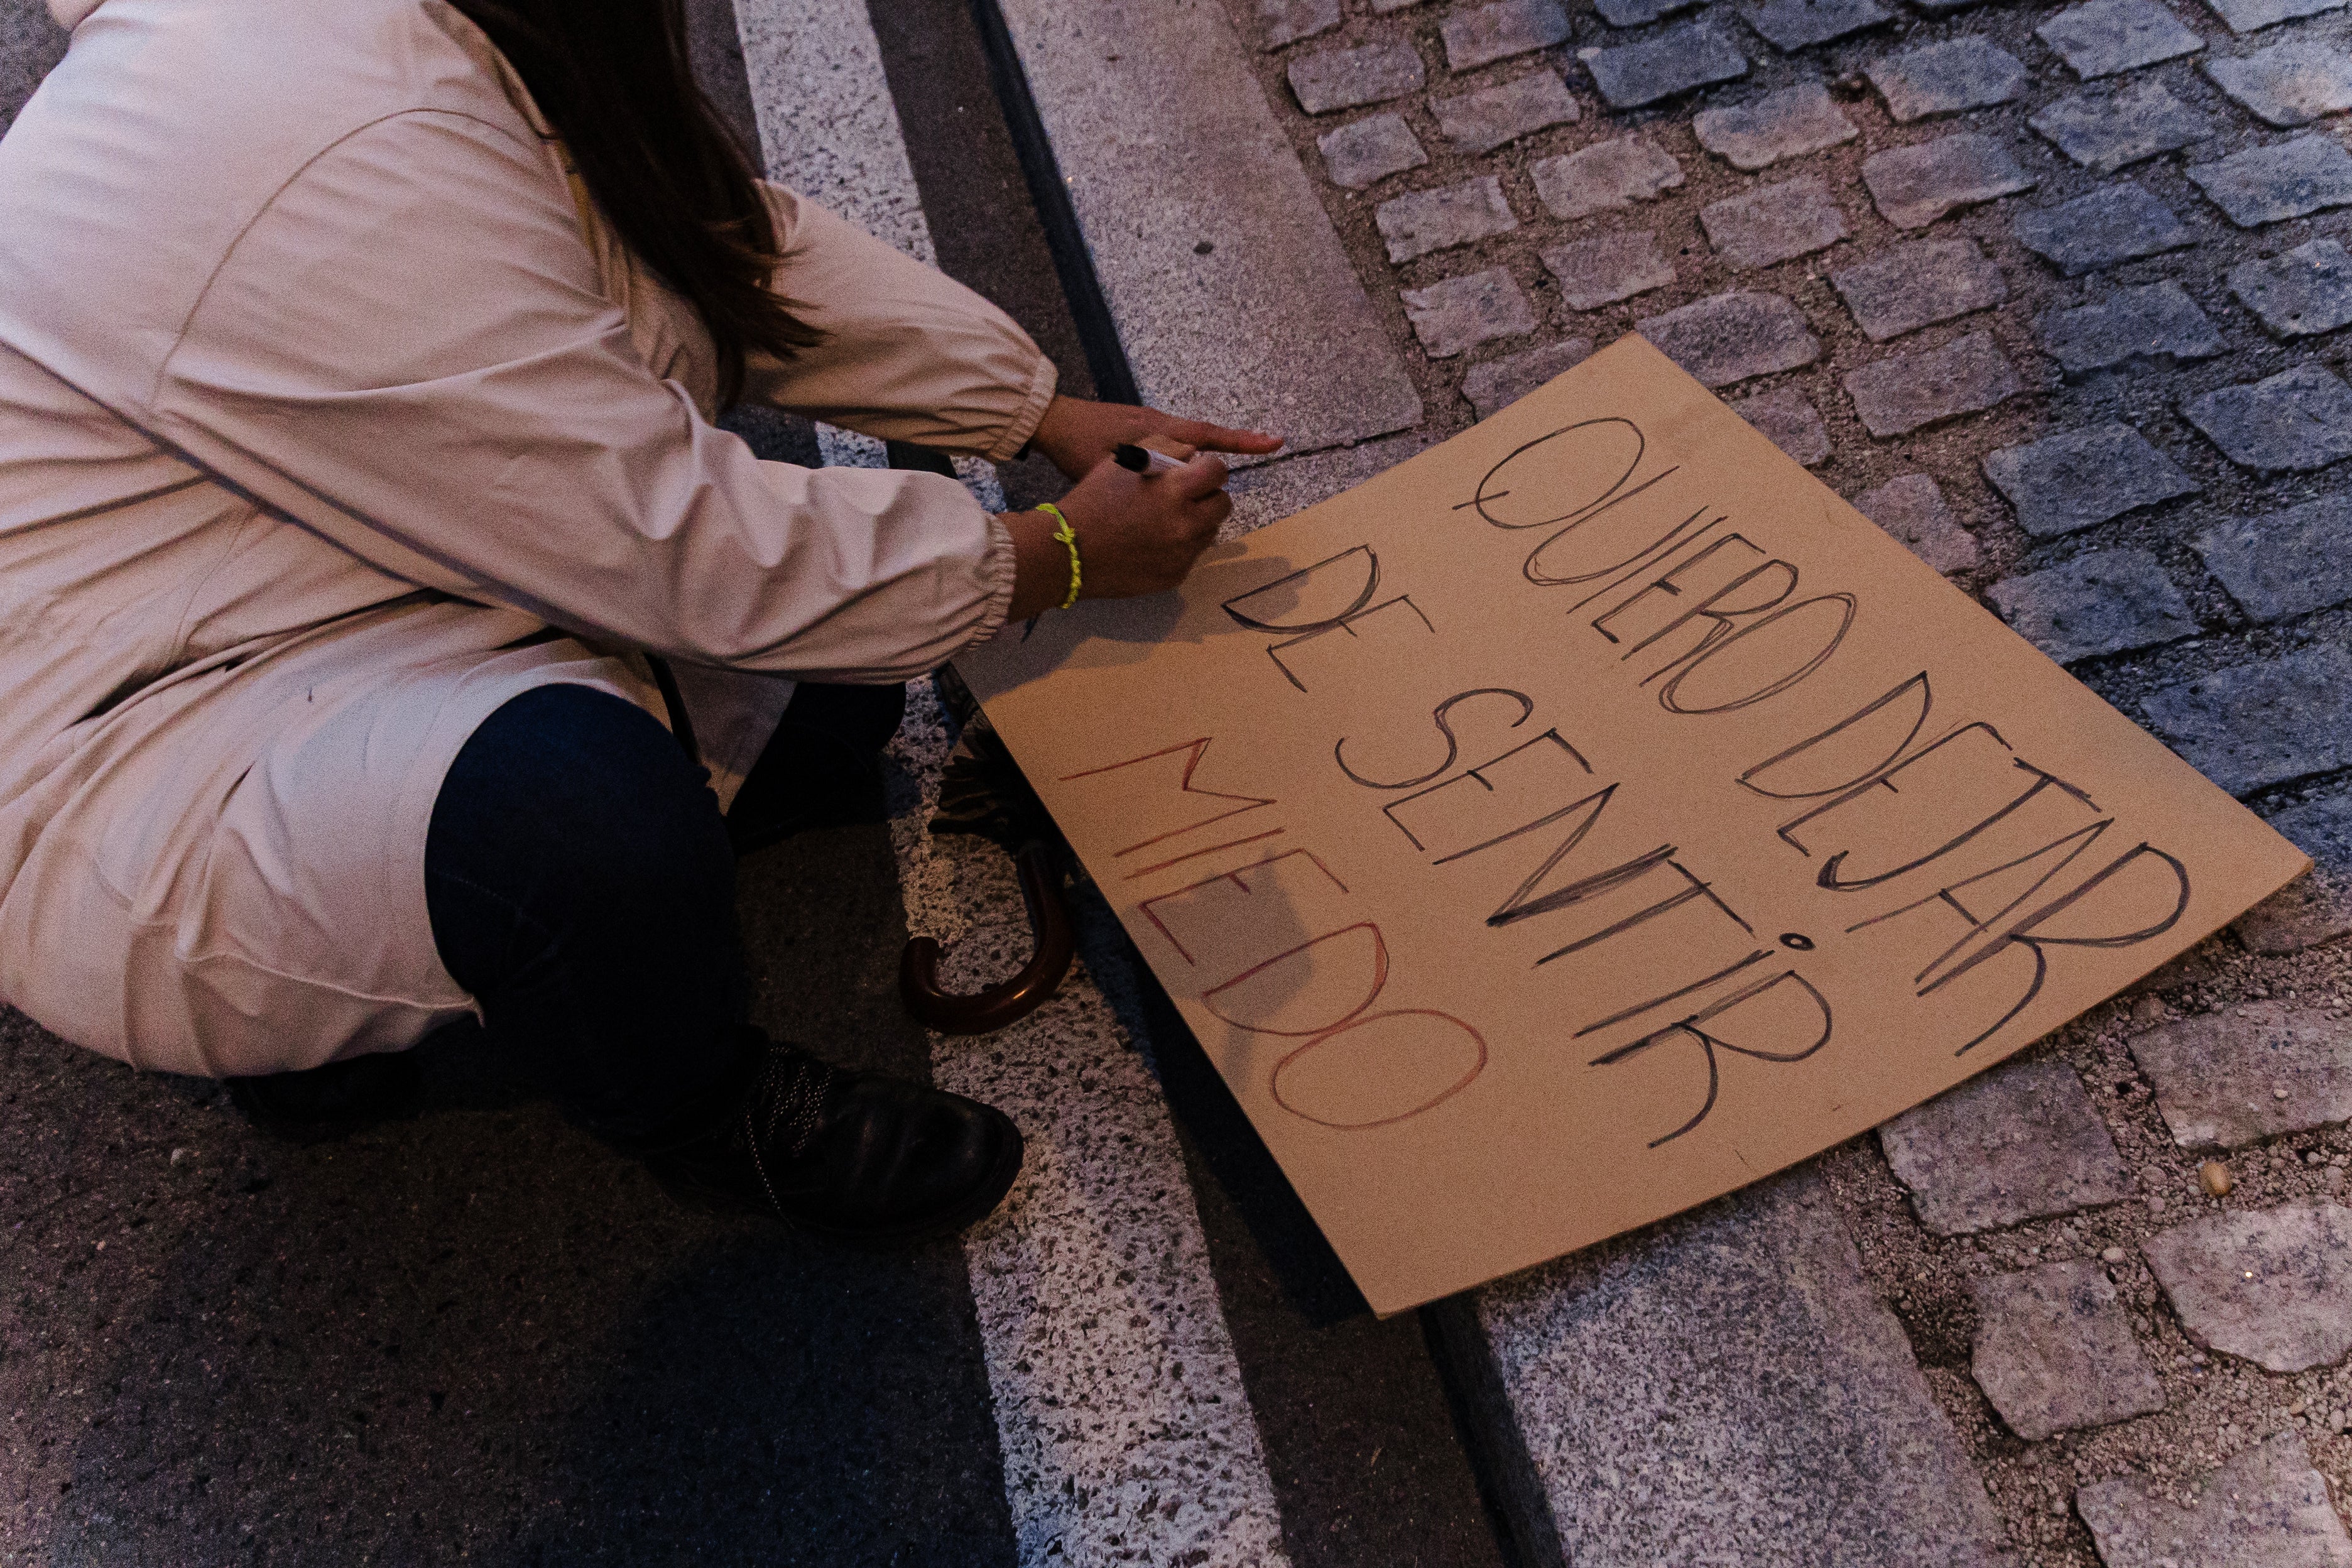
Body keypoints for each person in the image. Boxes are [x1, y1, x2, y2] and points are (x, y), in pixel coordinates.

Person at [0, 0, 1280, 1238]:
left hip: (318, 575)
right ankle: (702, 1113)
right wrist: (1046, 556)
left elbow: (702, 249)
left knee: (836, 703)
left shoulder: (410, 35)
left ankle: (474, 957)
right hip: (138, 736)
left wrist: (1032, 411)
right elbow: (672, 544)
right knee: (582, 819)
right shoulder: (323, 130)